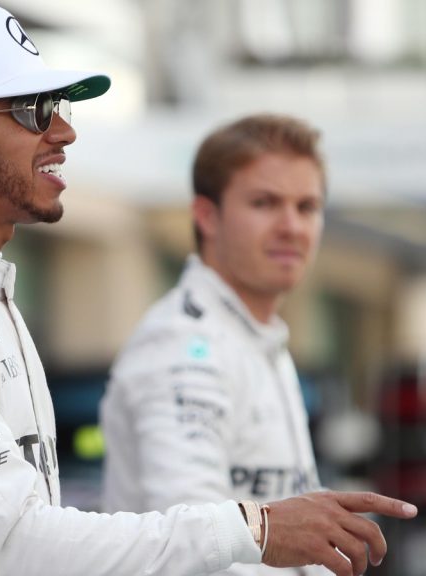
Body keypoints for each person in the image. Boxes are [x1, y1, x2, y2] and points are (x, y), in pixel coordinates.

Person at [0, 6, 416, 576]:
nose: (64, 131)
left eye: (62, 106)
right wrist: (252, 528)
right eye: (32, 109)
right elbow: (14, 545)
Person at [99, 114, 336, 575]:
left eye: (307, 207)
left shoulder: (258, 338)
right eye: (265, 203)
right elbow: (199, 547)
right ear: (206, 215)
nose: (292, 226)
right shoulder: (183, 346)